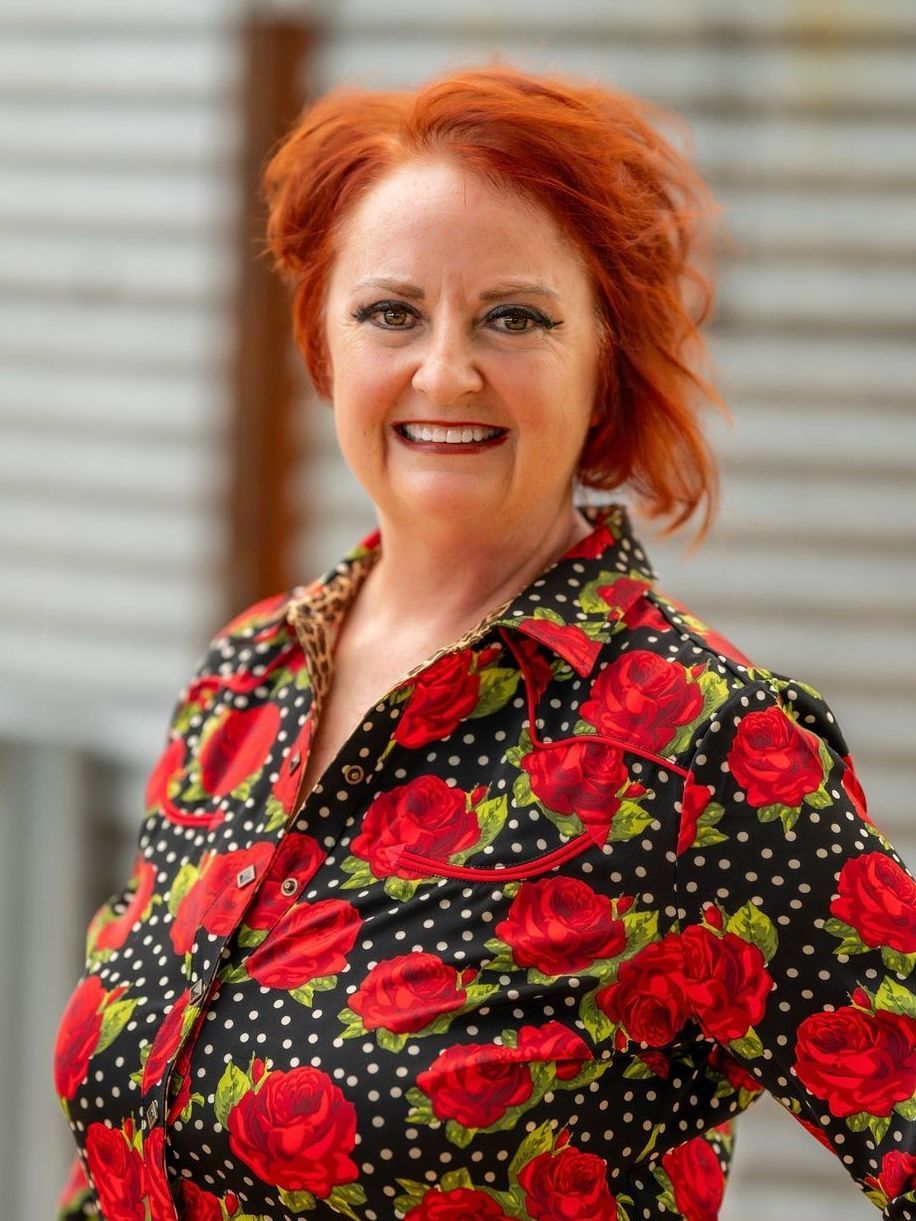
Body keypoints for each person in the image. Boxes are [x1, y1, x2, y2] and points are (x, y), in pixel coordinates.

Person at [53, 63, 916, 1221]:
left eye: (515, 317)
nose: (444, 371)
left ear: (605, 357)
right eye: (390, 312)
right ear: (323, 337)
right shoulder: (243, 679)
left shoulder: (712, 749)